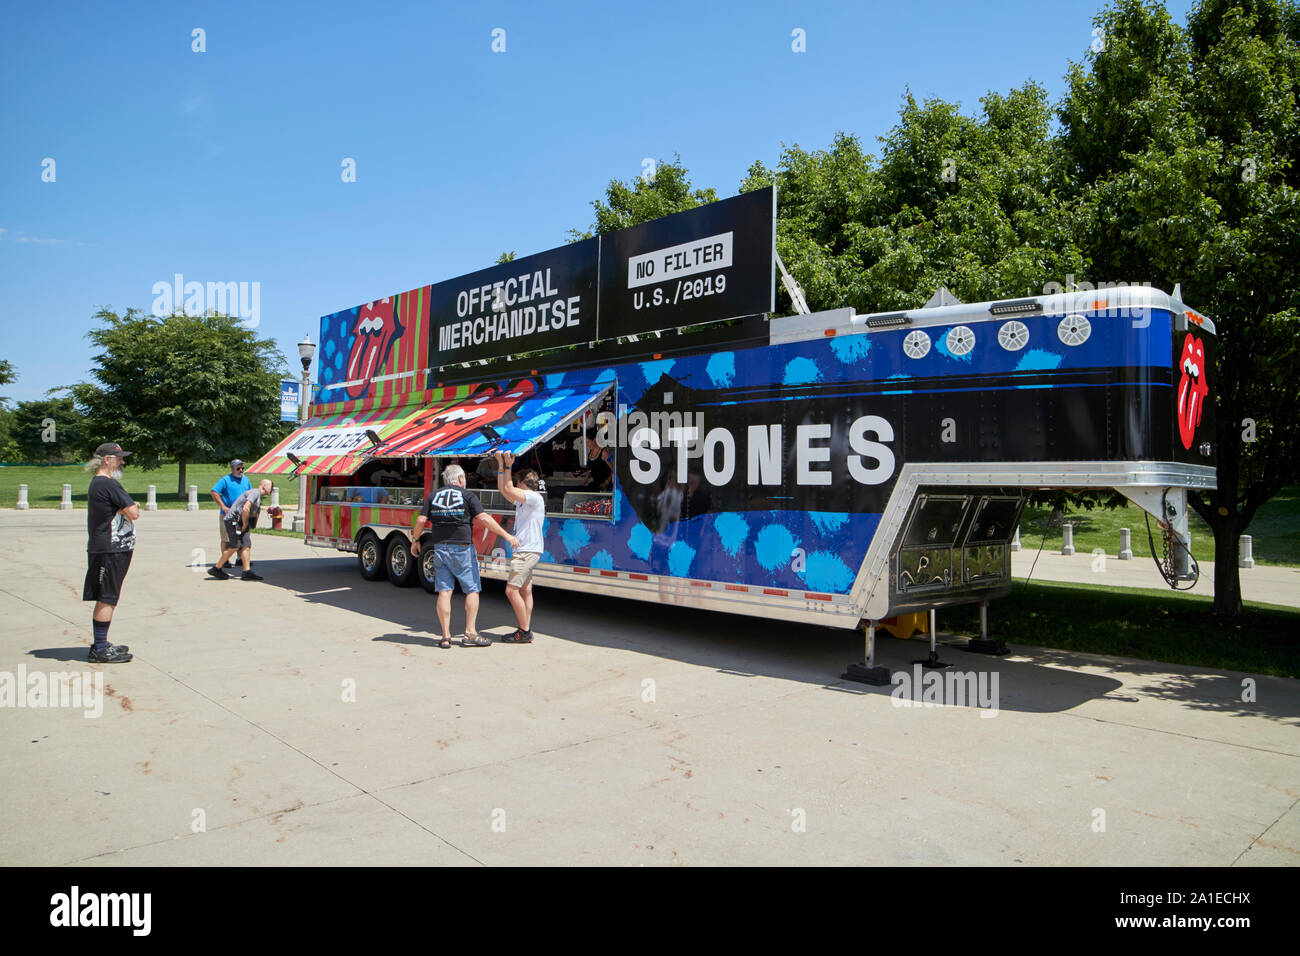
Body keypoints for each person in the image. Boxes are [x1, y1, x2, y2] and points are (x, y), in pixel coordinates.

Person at [410, 463, 518, 649]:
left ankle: (445, 637)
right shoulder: (467, 495)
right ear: (460, 479)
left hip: (440, 548)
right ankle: (470, 633)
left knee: (444, 591)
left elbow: (421, 520)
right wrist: (506, 535)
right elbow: (483, 518)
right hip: (462, 549)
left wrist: (415, 539)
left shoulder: (434, 496)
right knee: (471, 590)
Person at [84, 442, 140, 663]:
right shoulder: (107, 484)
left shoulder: (100, 484)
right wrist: (130, 506)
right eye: (119, 458)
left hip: (111, 548)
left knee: (108, 596)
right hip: (110, 549)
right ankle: (99, 649)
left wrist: (125, 507)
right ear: (107, 459)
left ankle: (101, 643)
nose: (122, 461)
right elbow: (134, 512)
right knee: (108, 597)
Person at [495, 451, 545, 643]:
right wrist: (501, 466)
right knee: (525, 590)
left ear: (524, 484)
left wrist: (507, 465)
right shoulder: (527, 500)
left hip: (526, 551)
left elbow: (508, 487)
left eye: (518, 483)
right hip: (528, 550)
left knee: (511, 590)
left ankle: (524, 631)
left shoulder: (533, 497)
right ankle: (526, 628)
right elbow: (503, 489)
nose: (516, 485)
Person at [210, 479, 273, 580]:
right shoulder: (255, 492)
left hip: (240, 520)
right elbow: (246, 508)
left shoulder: (257, 495)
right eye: (271, 486)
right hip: (234, 520)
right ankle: (216, 568)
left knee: (246, 545)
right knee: (235, 546)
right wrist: (244, 524)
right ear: (264, 486)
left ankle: (246, 572)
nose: (272, 488)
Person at [210, 459, 251, 570]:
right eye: (238, 468)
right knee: (226, 538)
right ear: (232, 469)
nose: (241, 470)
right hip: (227, 514)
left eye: (242, 468)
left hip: (241, 514)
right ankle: (225, 560)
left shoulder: (246, 480)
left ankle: (239, 559)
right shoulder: (225, 480)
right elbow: (214, 492)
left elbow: (250, 494)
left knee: (241, 536)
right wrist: (223, 506)